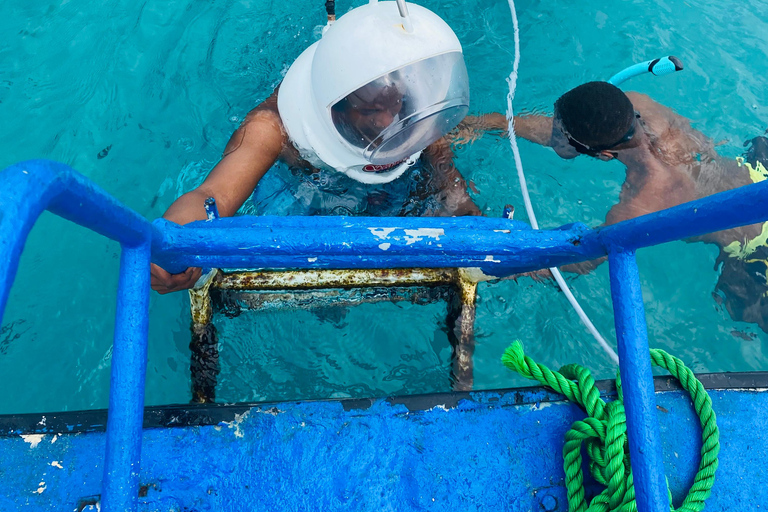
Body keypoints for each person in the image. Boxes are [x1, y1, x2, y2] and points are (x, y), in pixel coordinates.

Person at [151, 1, 485, 294]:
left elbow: (452, 192)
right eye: (370, 111)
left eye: (395, 105)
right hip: (307, 185)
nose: (387, 123)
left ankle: (515, 124)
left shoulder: (412, 109)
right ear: (334, 107)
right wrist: (169, 243)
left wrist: (504, 248)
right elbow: (214, 194)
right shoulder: (272, 127)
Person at [461, 80, 768, 332]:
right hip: (757, 175)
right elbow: (567, 129)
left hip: (752, 244)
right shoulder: (634, 105)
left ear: (606, 155)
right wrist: (486, 124)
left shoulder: (638, 204)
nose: (554, 137)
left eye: (561, 137)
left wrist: (502, 267)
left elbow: (578, 261)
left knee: (740, 308)